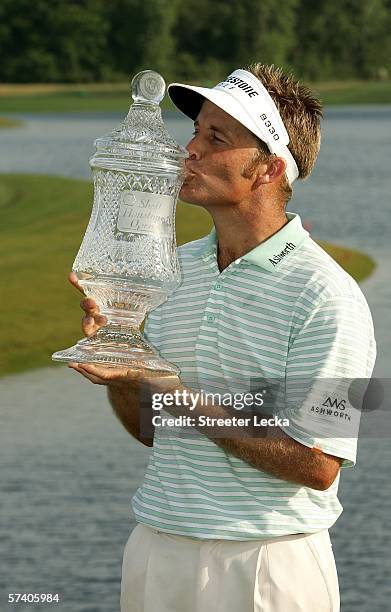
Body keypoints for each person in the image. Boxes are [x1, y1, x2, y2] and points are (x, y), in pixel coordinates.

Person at [69, 64, 376, 612]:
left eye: (216, 138)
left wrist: (173, 391)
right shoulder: (170, 272)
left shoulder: (328, 294)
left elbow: (318, 463)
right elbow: (149, 427)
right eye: (195, 132)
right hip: (157, 546)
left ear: (268, 169)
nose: (190, 149)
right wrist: (124, 353)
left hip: (266, 564)